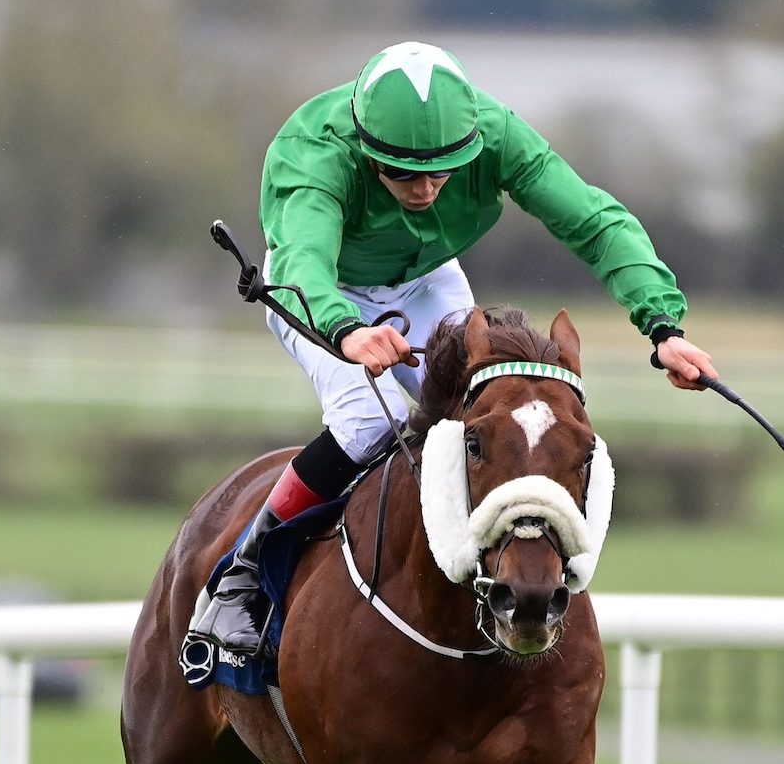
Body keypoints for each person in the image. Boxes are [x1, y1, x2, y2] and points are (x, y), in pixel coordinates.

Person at [187, 41, 720, 666]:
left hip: (427, 278)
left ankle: (502, 580)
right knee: (364, 421)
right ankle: (241, 578)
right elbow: (305, 264)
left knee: (490, 412)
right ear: (365, 152)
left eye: (440, 173)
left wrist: (663, 326)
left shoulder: (496, 134)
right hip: (319, 288)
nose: (425, 189)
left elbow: (594, 221)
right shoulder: (317, 154)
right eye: (405, 175)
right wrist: (344, 331)